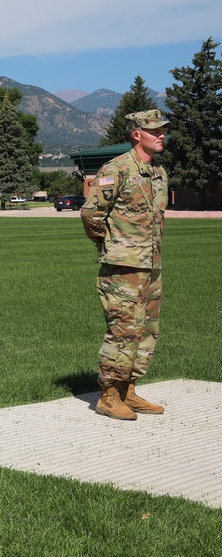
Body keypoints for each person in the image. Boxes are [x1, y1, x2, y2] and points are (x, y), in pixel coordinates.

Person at [81, 109, 169, 421]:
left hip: (150, 265)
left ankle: (128, 390)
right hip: (122, 268)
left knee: (147, 330)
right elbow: (92, 214)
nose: (161, 135)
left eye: (162, 131)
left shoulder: (158, 172)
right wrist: (111, 246)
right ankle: (108, 395)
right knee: (123, 330)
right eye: (155, 131)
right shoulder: (115, 169)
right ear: (137, 134)